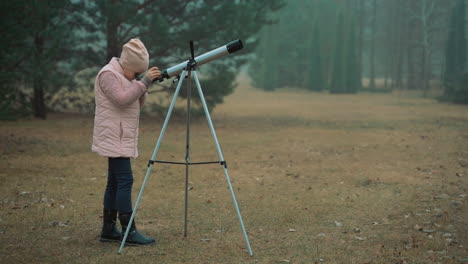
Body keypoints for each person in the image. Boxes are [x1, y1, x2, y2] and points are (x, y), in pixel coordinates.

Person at [91, 39, 161, 245]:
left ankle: (108, 229)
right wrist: (143, 83)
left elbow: (137, 103)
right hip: (114, 135)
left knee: (114, 181)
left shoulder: (124, 75)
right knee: (125, 180)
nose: (137, 77)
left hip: (120, 134)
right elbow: (122, 100)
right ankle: (128, 232)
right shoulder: (108, 75)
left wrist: (141, 85)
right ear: (127, 65)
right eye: (136, 73)